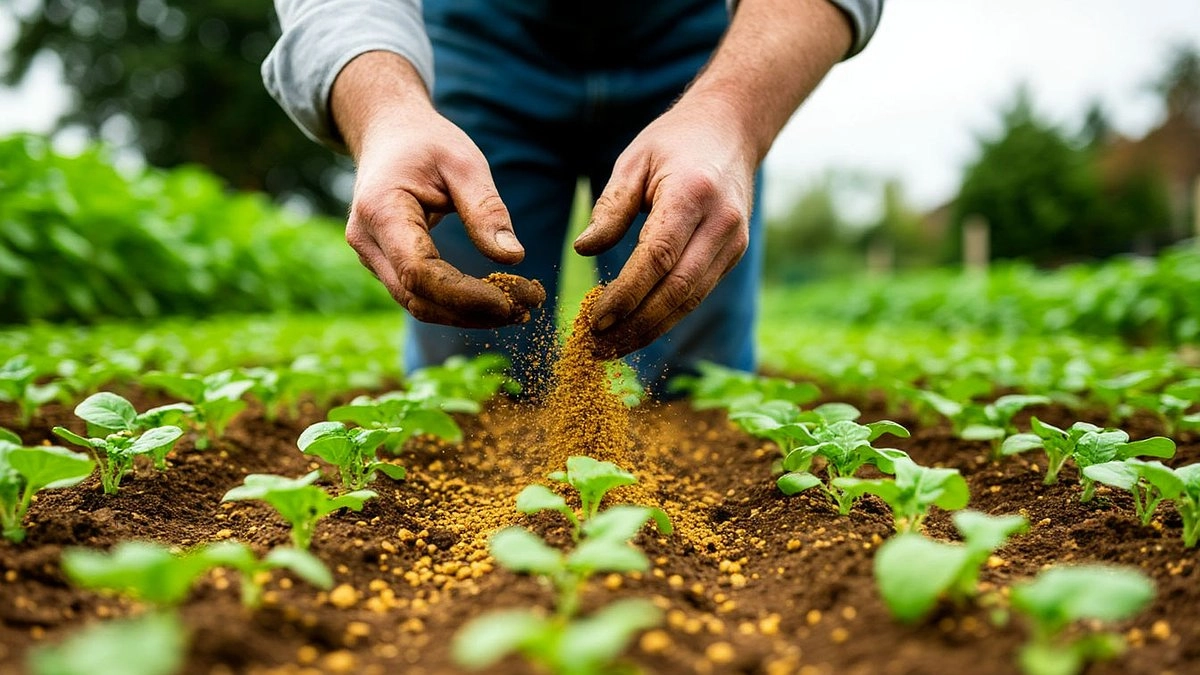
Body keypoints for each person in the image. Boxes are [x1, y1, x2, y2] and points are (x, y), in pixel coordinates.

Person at [263, 0, 881, 392]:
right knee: (471, 373)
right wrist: (386, 111)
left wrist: (732, 116)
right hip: (477, 38)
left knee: (695, 368)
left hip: (707, 45)